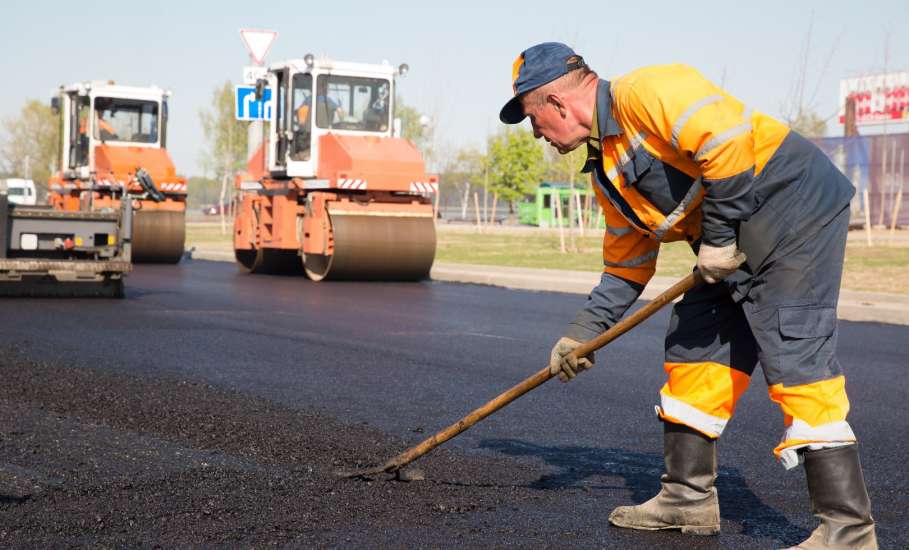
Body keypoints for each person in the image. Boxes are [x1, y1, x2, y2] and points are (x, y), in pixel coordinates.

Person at [499, 42, 876, 548]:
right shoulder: (609, 172)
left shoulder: (647, 90)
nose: (538, 135)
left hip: (794, 213)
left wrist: (718, 239)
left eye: (532, 119)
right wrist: (581, 335)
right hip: (729, 244)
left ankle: (848, 531)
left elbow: (726, 143)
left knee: (794, 351)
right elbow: (626, 268)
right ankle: (686, 498)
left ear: (558, 104)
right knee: (696, 344)